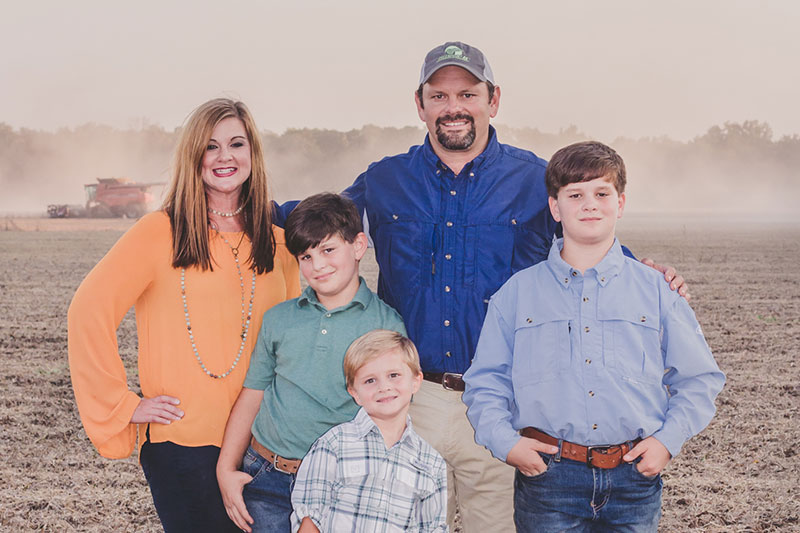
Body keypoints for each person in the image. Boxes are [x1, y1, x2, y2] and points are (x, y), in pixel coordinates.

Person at [329, 41, 691, 532]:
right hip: (414, 400)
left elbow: (586, 249)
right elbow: (315, 225)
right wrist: (231, 201)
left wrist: (648, 272)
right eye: (439, 96)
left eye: (468, 94)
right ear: (420, 104)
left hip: (503, 403)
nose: (453, 107)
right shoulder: (385, 179)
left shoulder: (531, 179)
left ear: (493, 99)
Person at [462, 141, 725, 531]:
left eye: (601, 193)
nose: (589, 204)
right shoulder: (516, 294)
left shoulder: (655, 290)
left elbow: (699, 378)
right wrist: (507, 443)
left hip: (634, 477)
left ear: (619, 203)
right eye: (575, 194)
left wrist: (668, 441)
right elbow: (486, 381)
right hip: (548, 479)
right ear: (555, 207)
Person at [67, 98, 301, 532]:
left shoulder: (279, 243)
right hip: (184, 446)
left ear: (253, 153)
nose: (224, 156)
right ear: (193, 156)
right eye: (210, 147)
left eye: (236, 143)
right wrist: (122, 405)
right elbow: (88, 309)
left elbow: (291, 345)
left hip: (265, 448)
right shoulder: (159, 232)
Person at [216, 193, 407, 533]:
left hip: (338, 485)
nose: (317, 265)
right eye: (306, 256)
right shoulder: (280, 319)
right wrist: (226, 470)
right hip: (264, 478)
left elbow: (386, 420)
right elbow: (253, 393)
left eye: (328, 250)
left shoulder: (385, 326)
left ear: (359, 245)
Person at [290, 329, 448, 533]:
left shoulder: (431, 463)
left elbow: (432, 528)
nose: (384, 387)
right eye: (370, 380)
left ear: (416, 381)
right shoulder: (334, 444)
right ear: (354, 392)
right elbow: (310, 520)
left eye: (394, 375)